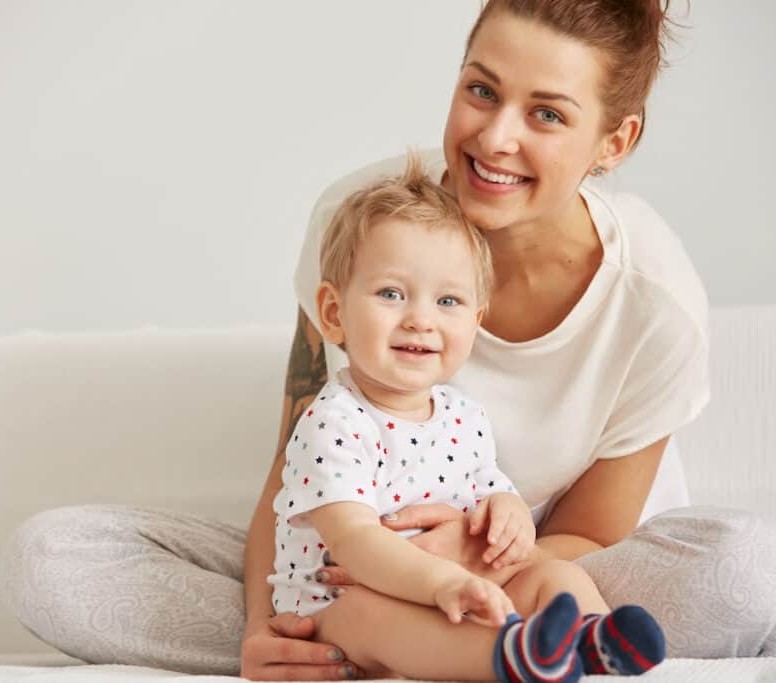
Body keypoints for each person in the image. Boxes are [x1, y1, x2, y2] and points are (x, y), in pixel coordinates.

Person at [0, 0, 776, 678]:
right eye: (481, 91)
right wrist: (261, 625)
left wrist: (456, 560)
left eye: (547, 114)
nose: (495, 138)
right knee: (51, 560)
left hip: (540, 563)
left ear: (614, 141)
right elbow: (297, 473)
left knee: (751, 571)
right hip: (348, 561)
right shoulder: (364, 222)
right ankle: (379, 644)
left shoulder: (654, 303)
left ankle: (475, 643)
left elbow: (596, 533)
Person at [270, 152, 665, 681]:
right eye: (391, 293)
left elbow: (488, 493)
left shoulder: (462, 415)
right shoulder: (332, 422)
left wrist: (509, 514)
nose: (420, 320)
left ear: (476, 321)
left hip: (457, 587)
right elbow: (356, 543)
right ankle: (507, 659)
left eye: (449, 301)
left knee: (550, 573)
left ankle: (593, 638)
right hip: (337, 604)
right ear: (334, 313)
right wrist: (440, 584)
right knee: (371, 616)